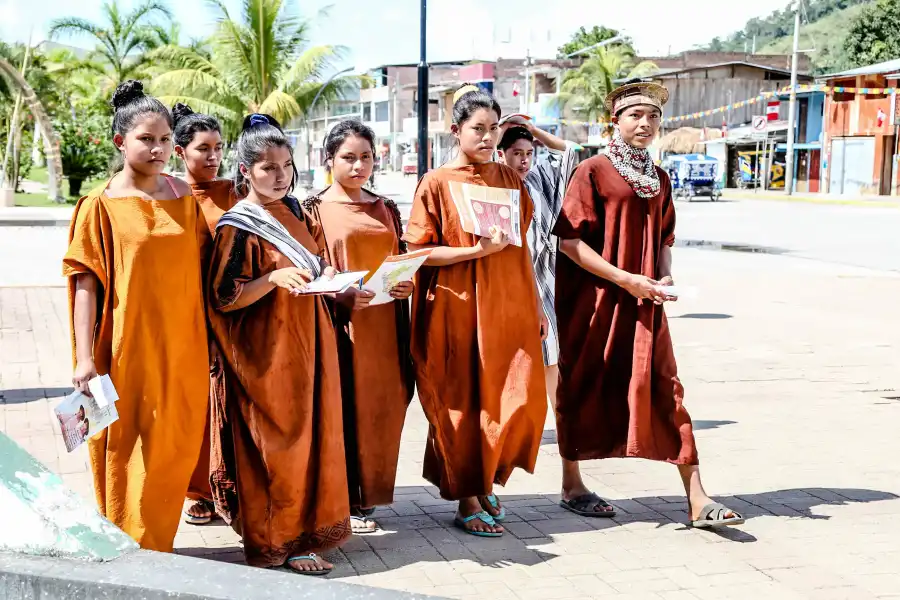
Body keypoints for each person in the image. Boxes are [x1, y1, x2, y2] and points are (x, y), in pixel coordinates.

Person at [551, 80, 744, 528]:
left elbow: (664, 238)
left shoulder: (659, 178)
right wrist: (624, 279)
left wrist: (664, 273)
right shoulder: (592, 171)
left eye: (653, 116)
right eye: (635, 115)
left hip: (645, 304)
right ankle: (572, 484)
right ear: (614, 121)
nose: (645, 123)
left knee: (666, 388)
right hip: (595, 303)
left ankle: (697, 498)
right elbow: (569, 243)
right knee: (583, 386)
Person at [63, 80, 209, 552]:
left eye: (166, 138)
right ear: (120, 141)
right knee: (128, 447)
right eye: (147, 138)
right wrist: (85, 358)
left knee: (175, 443)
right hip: (126, 347)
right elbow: (85, 282)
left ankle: (157, 542)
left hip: (184, 346)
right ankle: (132, 544)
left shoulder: (184, 196)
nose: (159, 148)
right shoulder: (98, 205)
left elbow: (207, 267)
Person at [207, 113, 352, 575]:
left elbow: (315, 265)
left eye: (286, 165)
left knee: (317, 443)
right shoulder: (239, 224)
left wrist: (333, 278)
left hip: (312, 344)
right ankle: (278, 542)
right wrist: (271, 278)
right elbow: (225, 297)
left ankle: (310, 535)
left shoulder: (297, 210)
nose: (280, 175)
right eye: (268, 167)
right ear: (246, 170)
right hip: (267, 357)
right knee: (278, 449)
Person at [403, 85, 548, 537]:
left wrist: (537, 302)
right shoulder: (437, 182)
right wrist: (475, 252)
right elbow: (419, 252)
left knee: (513, 396)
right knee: (460, 401)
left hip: (506, 304)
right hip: (455, 306)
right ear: (455, 131)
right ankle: (467, 495)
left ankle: (486, 477)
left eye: (492, 130)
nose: (486, 139)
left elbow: (520, 248)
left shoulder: (509, 179)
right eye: (477, 130)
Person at [302, 120, 413, 535]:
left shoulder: (386, 207)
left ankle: (370, 494)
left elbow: (399, 256)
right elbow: (313, 269)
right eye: (349, 157)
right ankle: (344, 499)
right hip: (341, 326)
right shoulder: (313, 209)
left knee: (384, 407)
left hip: (386, 325)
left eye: (366, 156)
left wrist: (406, 283)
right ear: (329, 159)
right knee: (343, 406)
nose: (359, 165)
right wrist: (343, 295)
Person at [172, 103, 235, 526]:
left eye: (218, 147)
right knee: (196, 404)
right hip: (187, 313)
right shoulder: (169, 195)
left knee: (230, 402)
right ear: (180, 152)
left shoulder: (235, 191)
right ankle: (197, 489)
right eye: (202, 149)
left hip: (234, 311)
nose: (212, 157)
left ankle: (230, 481)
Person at [496, 119, 579, 422]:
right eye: (516, 153)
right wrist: (497, 132)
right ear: (501, 153)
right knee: (512, 358)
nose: (524, 160)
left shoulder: (539, 180)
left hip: (546, 279)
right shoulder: (493, 185)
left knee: (551, 356)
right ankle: (511, 423)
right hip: (510, 282)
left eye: (529, 153)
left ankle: (560, 424)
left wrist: (533, 132)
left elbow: (569, 151)